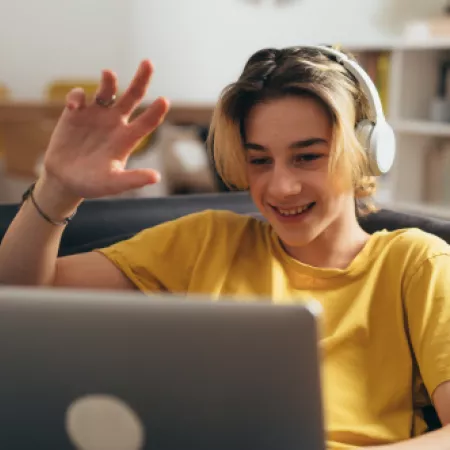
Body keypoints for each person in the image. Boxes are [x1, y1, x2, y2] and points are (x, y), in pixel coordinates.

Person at [0, 45, 449, 449]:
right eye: (259, 161)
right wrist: (56, 188)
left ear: (366, 152)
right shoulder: (206, 241)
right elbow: (17, 292)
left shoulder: (416, 262)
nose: (281, 186)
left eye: (307, 156)